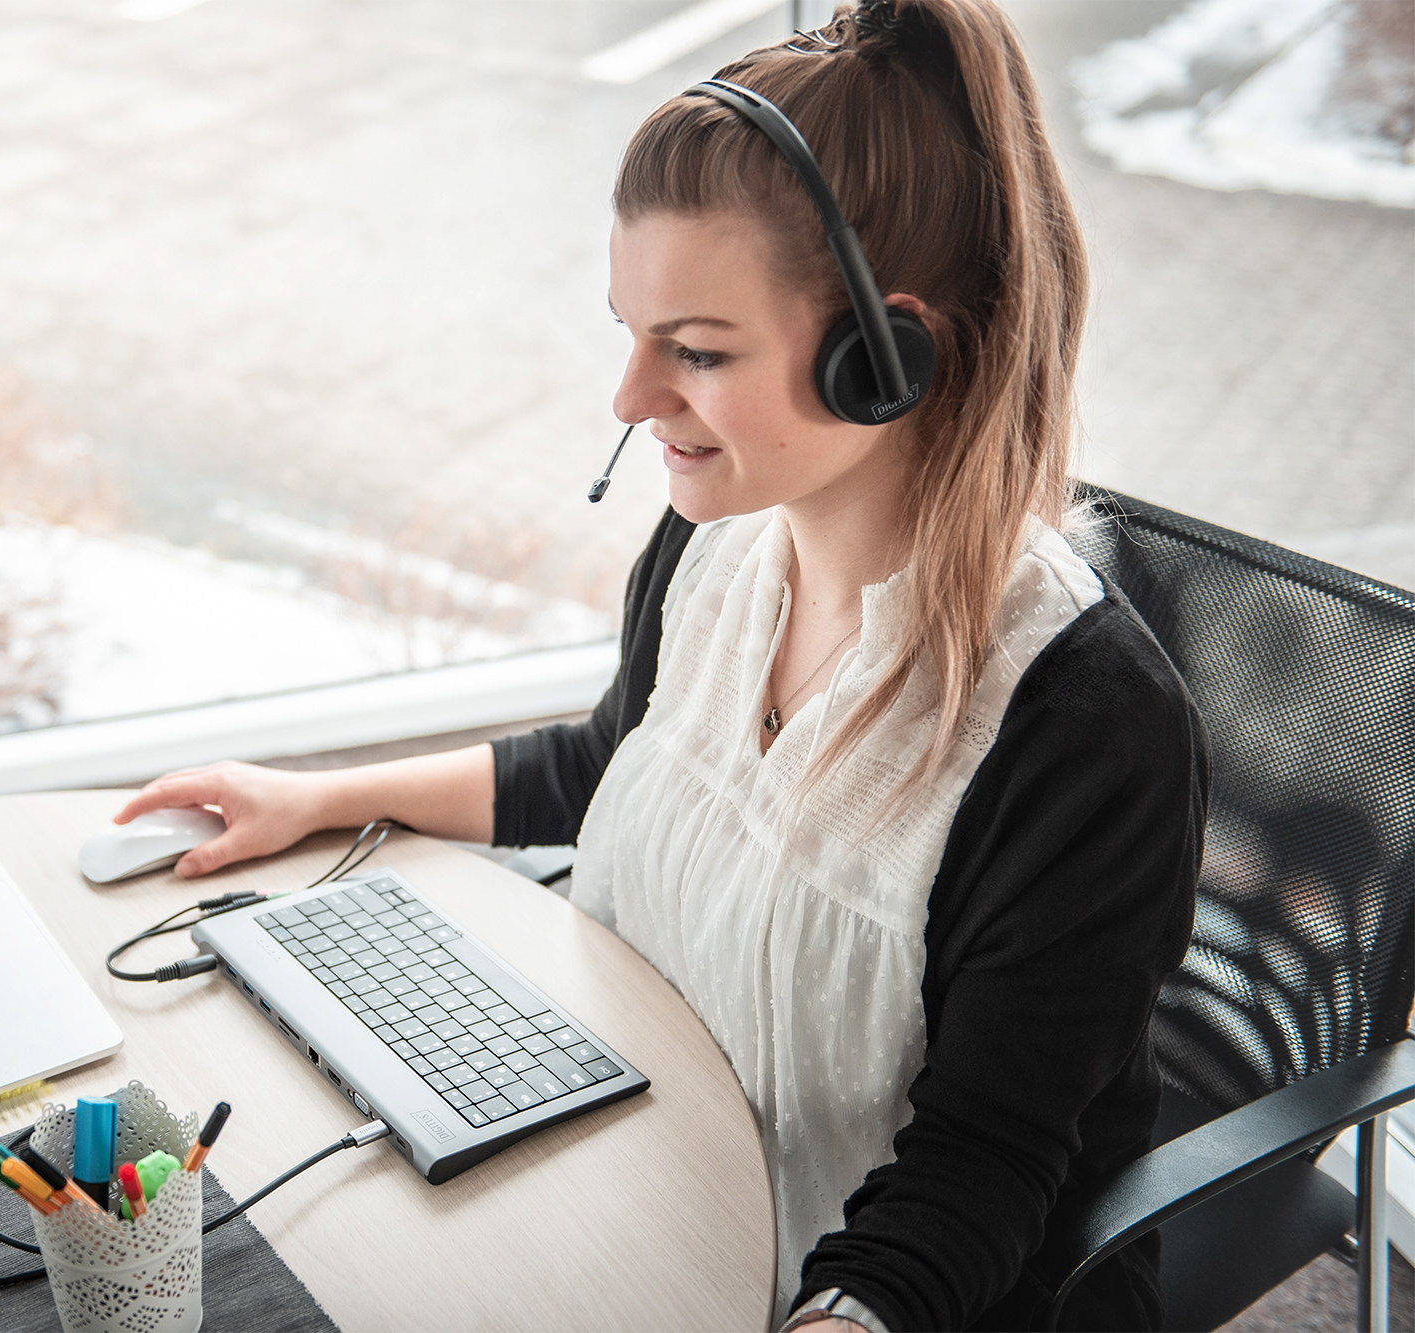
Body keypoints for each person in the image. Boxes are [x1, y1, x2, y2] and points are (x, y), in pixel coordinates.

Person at [114, 1, 1208, 1327]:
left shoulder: (1085, 725)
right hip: (644, 1190)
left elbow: (980, 1172)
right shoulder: (717, 550)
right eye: (631, 332)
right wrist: (319, 797)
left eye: (696, 351)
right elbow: (606, 760)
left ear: (885, 357)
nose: (630, 399)